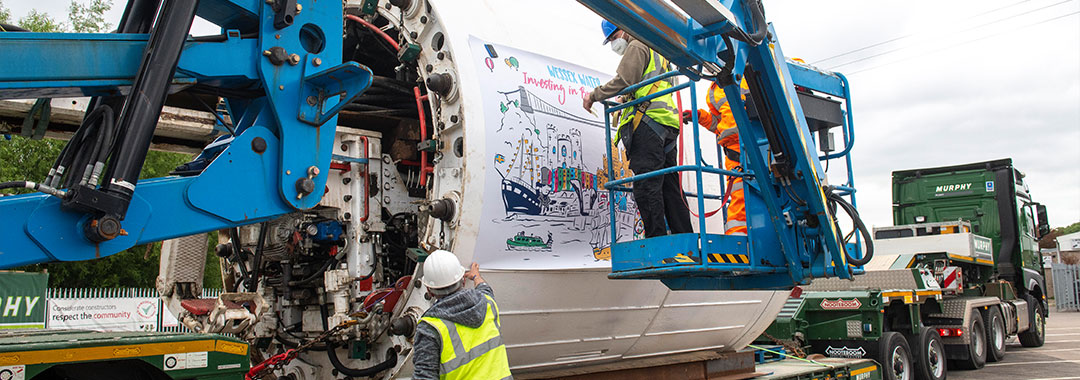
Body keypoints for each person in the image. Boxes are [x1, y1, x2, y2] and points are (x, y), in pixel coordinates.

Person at [583, 20, 692, 238]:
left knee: (646, 185)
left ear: (623, 29)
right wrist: (629, 96)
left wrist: (593, 95)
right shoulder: (658, 52)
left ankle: (657, 242)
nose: (614, 43)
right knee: (670, 186)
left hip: (648, 124)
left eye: (614, 38)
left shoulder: (636, 45)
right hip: (667, 124)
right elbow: (649, 83)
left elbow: (624, 79)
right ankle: (685, 239)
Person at [413, 250, 511, 380]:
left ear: (429, 290)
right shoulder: (487, 303)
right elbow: (485, 289)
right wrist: (476, 277)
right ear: (463, 280)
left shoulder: (431, 328)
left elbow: (424, 376)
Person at [682, 80, 750, 235]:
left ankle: (738, 245)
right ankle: (738, 242)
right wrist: (700, 116)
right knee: (740, 197)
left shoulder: (749, 71)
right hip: (734, 153)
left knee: (743, 199)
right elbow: (719, 124)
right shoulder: (713, 89)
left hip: (756, 143)